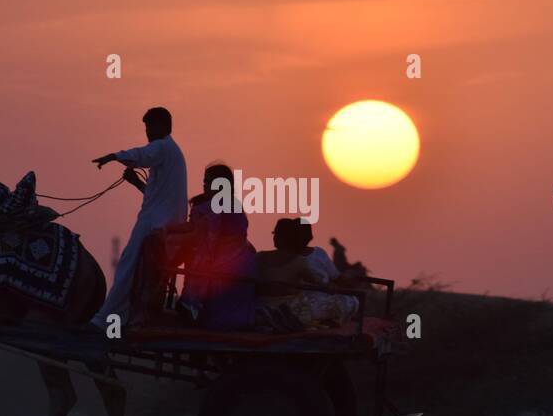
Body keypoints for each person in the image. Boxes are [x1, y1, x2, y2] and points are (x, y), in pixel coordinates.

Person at [89, 107, 187, 328]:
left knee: (127, 264)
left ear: (162, 126)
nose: (148, 132)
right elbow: (158, 196)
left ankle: (104, 319)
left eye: (150, 127)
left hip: (156, 223)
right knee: (132, 267)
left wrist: (114, 156)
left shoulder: (162, 147)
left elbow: (142, 155)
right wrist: (136, 183)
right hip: (163, 219)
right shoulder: (170, 153)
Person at [167, 163, 256, 331]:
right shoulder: (218, 204)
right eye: (205, 181)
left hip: (230, 263)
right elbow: (193, 227)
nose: (205, 185)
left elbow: (199, 236)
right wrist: (169, 230)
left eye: (209, 182)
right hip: (237, 260)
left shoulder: (220, 205)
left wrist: (170, 238)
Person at [256, 218, 358, 329]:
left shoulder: (259, 256)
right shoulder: (301, 260)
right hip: (289, 308)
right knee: (350, 301)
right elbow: (322, 281)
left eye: (275, 234)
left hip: (262, 304)